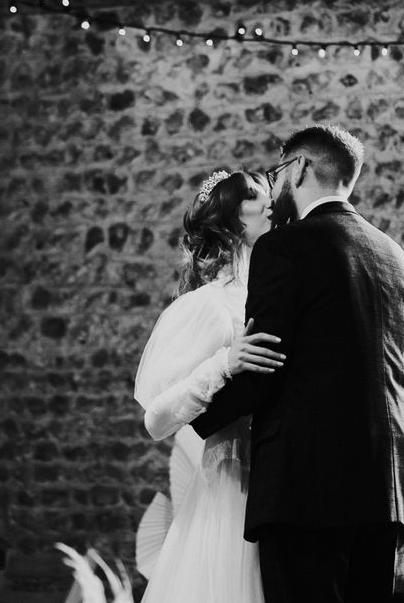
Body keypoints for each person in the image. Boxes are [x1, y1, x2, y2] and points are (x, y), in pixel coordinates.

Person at [191, 124, 404, 603]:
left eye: (277, 173)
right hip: (393, 490)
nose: (275, 186)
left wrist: (200, 417)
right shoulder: (394, 254)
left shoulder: (286, 246)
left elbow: (265, 362)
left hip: (310, 491)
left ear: (298, 168)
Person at [133, 169, 286, 603]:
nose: (270, 201)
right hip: (230, 486)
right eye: (255, 196)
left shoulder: (268, 292)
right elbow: (156, 419)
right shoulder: (211, 307)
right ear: (232, 219)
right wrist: (224, 363)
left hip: (275, 483)